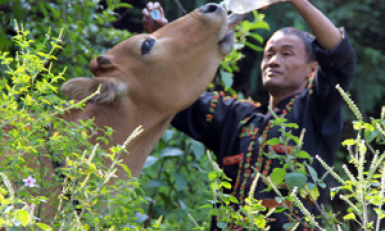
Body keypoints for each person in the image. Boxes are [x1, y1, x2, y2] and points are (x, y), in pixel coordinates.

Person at [142, 0, 356, 230]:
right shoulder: (237, 117)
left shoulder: (316, 110)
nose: (273, 61)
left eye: (286, 54)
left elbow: (339, 58)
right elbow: (178, 93)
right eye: (269, 54)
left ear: (312, 70)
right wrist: (164, 41)